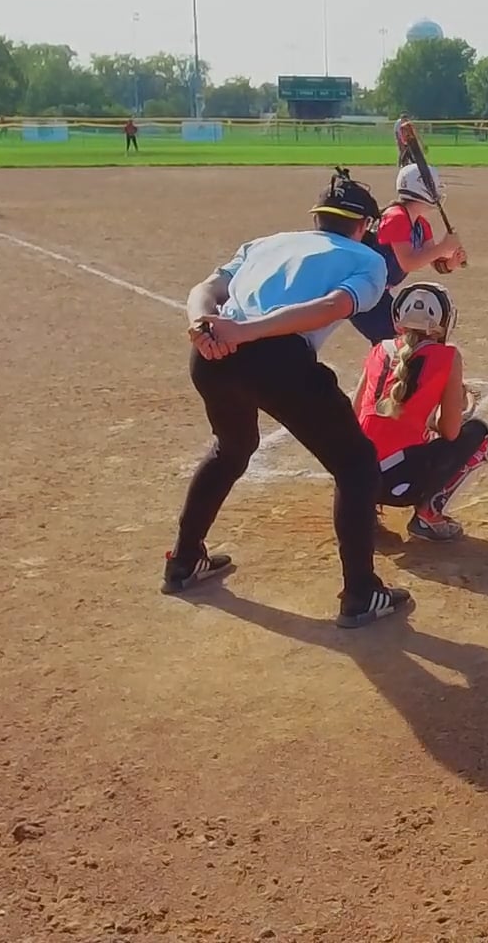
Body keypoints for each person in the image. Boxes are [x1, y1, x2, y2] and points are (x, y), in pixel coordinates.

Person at [167, 167, 412, 628]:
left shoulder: (266, 243)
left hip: (212, 356)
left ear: (318, 217)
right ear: (364, 226)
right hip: (276, 359)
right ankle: (361, 593)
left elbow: (206, 290)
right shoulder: (367, 258)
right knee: (357, 465)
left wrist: (202, 325)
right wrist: (248, 332)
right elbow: (333, 306)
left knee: (232, 448)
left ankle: (184, 560)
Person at [353, 281, 488, 541]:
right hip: (398, 485)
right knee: (481, 434)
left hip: (356, 482)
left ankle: (364, 514)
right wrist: (464, 405)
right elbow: (450, 432)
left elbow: (355, 415)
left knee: (374, 441)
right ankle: (429, 515)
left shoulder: (379, 349)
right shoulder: (448, 357)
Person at [348, 162, 466, 344]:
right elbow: (408, 262)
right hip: (362, 290)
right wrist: (443, 247)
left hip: (377, 292)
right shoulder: (396, 217)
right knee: (394, 342)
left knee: (399, 340)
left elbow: (434, 261)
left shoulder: (420, 224)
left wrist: (451, 262)